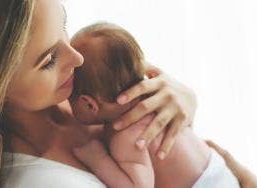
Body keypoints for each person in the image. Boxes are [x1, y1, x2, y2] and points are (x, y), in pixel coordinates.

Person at [0, 0, 257, 187]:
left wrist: (181, 100)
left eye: (65, 26)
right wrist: (247, 181)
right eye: (49, 60)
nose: (78, 58)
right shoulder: (45, 181)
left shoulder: (73, 91)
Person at [68, 22, 239, 188]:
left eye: (69, 96)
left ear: (88, 104)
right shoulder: (157, 98)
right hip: (221, 171)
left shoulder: (126, 137)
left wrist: (98, 160)